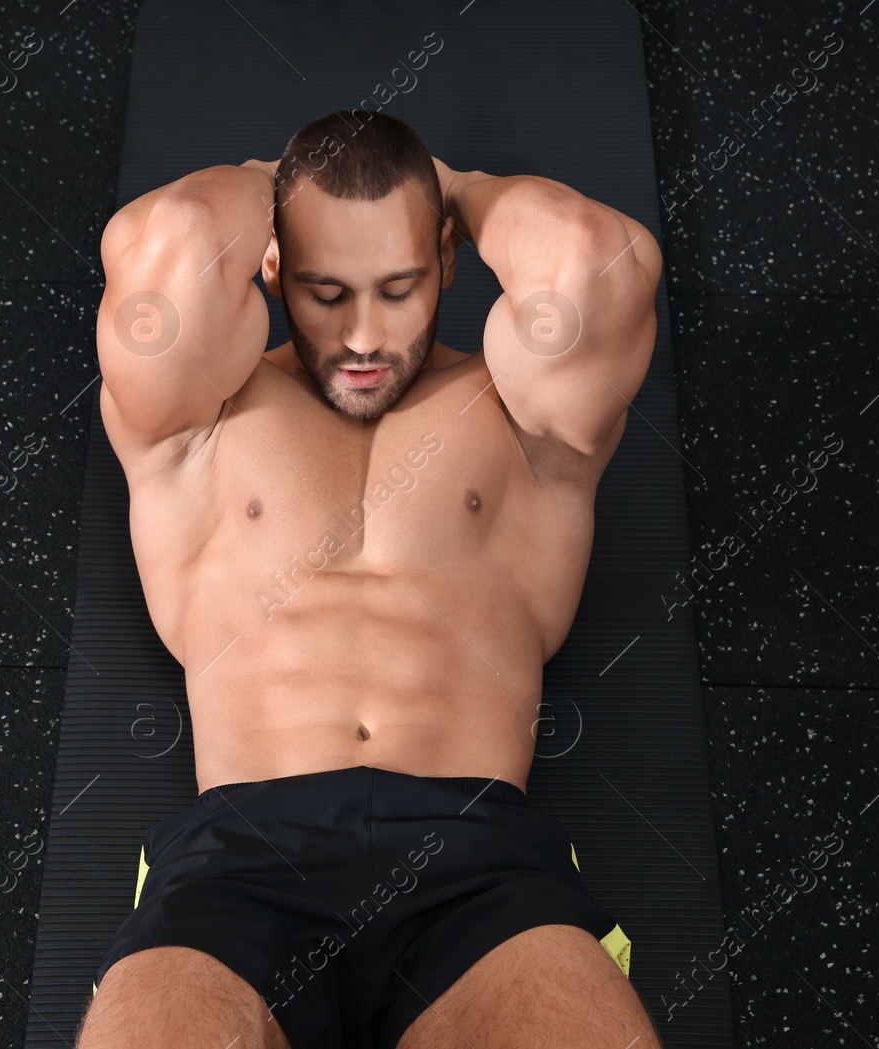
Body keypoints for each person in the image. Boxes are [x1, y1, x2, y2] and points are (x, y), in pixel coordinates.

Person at [80, 108, 663, 1049]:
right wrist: (281, 183)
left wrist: (457, 188)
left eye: (399, 288)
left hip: (478, 862)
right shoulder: (196, 420)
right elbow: (176, 239)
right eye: (324, 290)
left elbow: (595, 254)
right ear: (270, 263)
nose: (362, 335)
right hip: (240, 860)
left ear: (446, 259)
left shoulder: (521, 419)